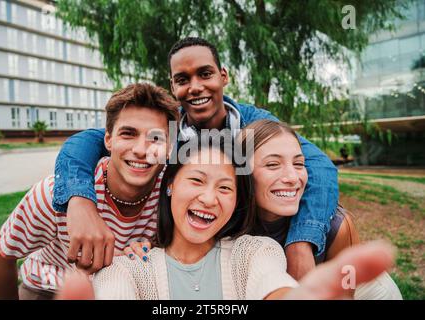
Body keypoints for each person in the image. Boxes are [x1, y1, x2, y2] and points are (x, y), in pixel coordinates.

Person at [51, 37, 339, 280]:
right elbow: (86, 141)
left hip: (246, 238)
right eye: (182, 79)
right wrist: (79, 200)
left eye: (205, 74)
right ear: (173, 86)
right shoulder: (168, 127)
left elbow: (319, 166)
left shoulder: (253, 124)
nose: (195, 87)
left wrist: (301, 243)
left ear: (223, 76)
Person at [56, 139, 396, 300]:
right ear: (170, 185)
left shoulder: (254, 252)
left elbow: (273, 285)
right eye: (197, 180)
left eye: (225, 187)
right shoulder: (128, 266)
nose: (209, 198)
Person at [0, 83, 179, 299]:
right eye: (128, 134)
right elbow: (1, 255)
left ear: (169, 148)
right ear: (108, 140)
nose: (141, 150)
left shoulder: (174, 193)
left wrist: (152, 247)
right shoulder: (52, 194)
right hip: (50, 289)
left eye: (156, 138)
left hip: (125, 288)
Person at [240, 120, 402, 299]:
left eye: (299, 164)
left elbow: (346, 292)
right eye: (272, 164)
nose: (293, 178)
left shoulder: (338, 227)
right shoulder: (227, 223)